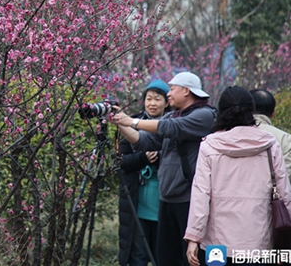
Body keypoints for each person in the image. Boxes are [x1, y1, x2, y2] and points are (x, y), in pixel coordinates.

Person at [113, 71, 217, 266]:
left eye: (172, 89)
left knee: (188, 258)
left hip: (189, 198)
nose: (169, 94)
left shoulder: (203, 114)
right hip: (167, 197)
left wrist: (132, 121)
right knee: (166, 258)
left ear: (186, 91)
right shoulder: (172, 115)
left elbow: (172, 128)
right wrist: (121, 123)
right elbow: (144, 140)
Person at [185, 86, 291, 266]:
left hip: (217, 245)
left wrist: (193, 237)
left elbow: (201, 196)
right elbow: (285, 194)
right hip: (260, 242)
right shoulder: (269, 144)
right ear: (251, 111)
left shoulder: (209, 145)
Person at [117, 79, 171, 266]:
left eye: (157, 99)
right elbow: (120, 161)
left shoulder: (174, 124)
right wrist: (143, 158)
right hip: (137, 200)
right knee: (138, 255)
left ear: (167, 102)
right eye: (149, 99)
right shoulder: (129, 123)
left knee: (163, 255)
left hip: (164, 202)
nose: (152, 103)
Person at [250, 89, 291, 179]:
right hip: (270, 192)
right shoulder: (285, 138)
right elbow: (286, 175)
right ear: (273, 113)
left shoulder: (227, 135)